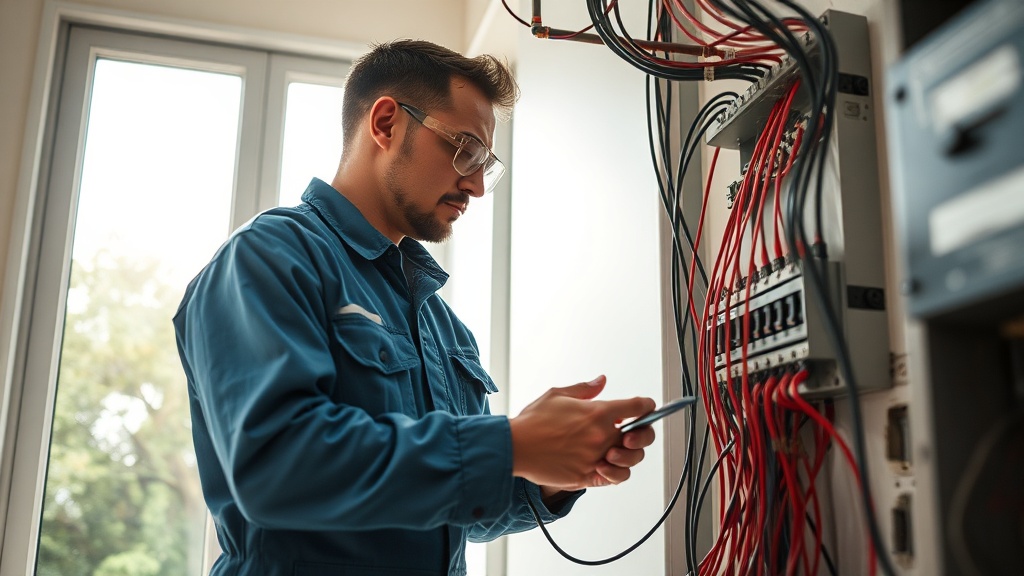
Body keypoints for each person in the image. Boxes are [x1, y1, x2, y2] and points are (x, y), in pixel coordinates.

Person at [173, 39, 657, 576]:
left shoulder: (439, 322)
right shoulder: (270, 259)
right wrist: (509, 443)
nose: (474, 184)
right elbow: (278, 468)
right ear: (386, 124)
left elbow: (457, 513)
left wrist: (548, 472)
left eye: (484, 163)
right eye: (465, 149)